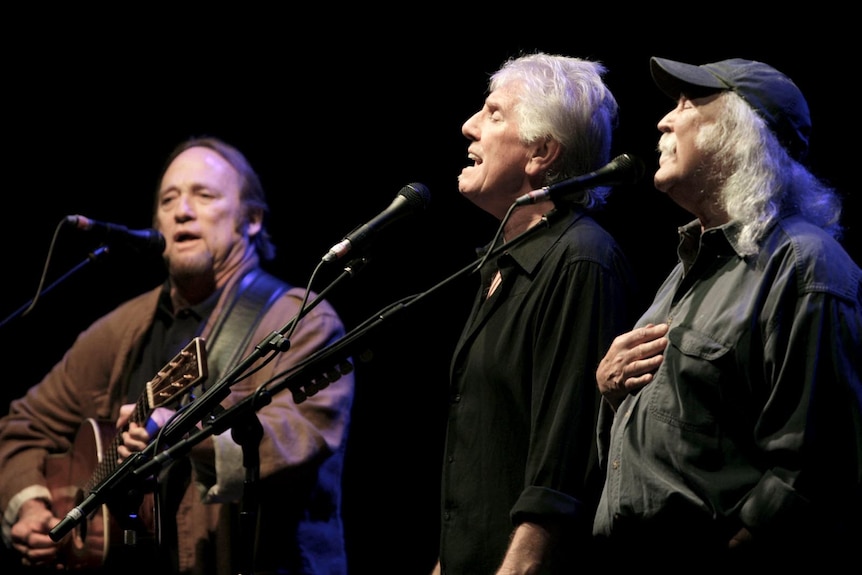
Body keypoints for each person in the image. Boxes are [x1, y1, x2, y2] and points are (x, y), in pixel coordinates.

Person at [0, 136, 355, 574]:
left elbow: (304, 436)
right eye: (168, 200)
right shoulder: (119, 329)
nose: (181, 211)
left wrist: (194, 437)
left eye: (203, 195)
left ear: (252, 219)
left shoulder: (300, 320)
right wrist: (31, 506)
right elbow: (21, 425)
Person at [592, 57, 862, 566]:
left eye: (687, 103)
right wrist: (613, 394)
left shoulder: (804, 264)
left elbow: (816, 469)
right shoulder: (684, 272)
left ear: (742, 133)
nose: (664, 120)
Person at [432, 53, 639, 574]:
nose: (470, 126)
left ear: (542, 152)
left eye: (494, 113)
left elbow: (565, 457)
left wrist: (519, 566)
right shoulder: (500, 264)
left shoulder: (581, 260)